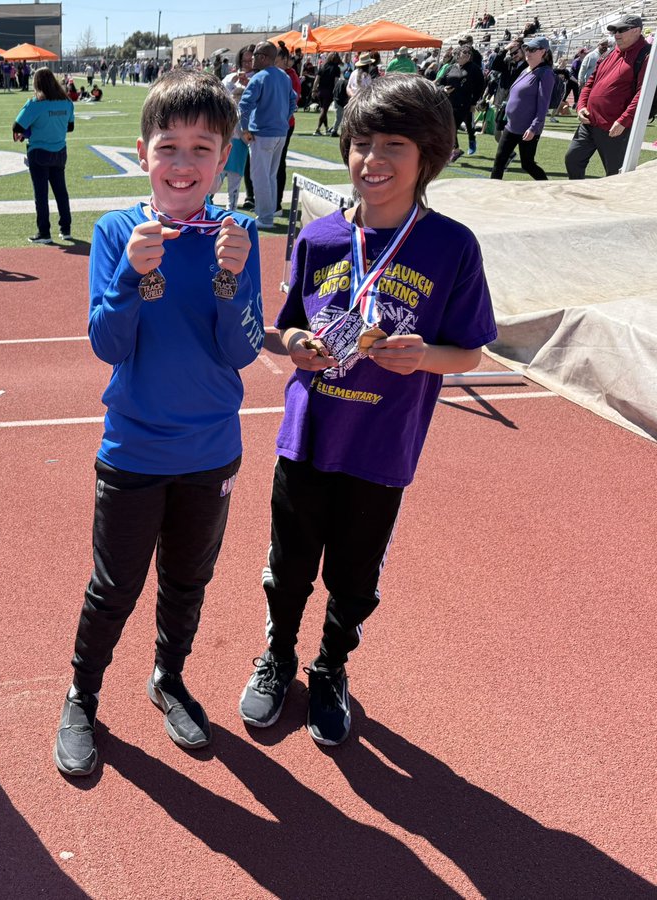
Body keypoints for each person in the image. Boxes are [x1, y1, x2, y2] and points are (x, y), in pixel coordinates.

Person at [237, 74, 496, 747]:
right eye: (361, 143)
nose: (371, 159)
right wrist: (297, 345)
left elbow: (470, 353)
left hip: (382, 447)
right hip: (308, 436)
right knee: (288, 565)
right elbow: (284, 328)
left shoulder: (452, 246)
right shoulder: (321, 237)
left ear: (429, 156)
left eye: (393, 145)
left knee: (354, 577)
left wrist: (425, 356)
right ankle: (278, 656)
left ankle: (330, 668)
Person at [52, 70, 265, 778]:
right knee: (114, 586)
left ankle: (168, 677)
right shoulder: (118, 230)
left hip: (211, 450)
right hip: (135, 448)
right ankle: (82, 695)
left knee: (187, 580)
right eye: (168, 146)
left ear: (225, 159)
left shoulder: (239, 233)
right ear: (143, 153)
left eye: (202, 148)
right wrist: (128, 275)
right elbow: (108, 344)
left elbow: (243, 350)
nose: (183, 163)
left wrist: (231, 281)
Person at [566, 14, 651, 179]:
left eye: (622, 30)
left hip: (615, 127)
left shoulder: (646, 55)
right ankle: (580, 194)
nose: (616, 34)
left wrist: (624, 120)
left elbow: (643, 93)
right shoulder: (608, 54)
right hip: (589, 122)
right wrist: (581, 106)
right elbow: (590, 83)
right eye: (614, 31)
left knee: (615, 175)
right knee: (572, 160)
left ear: (636, 31)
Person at [13, 67, 75, 244]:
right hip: (60, 151)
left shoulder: (35, 103)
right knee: (61, 192)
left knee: (41, 195)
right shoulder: (66, 102)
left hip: (39, 152)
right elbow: (70, 127)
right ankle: (66, 229)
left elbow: (17, 126)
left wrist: (31, 130)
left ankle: (44, 232)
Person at [239, 41, 297, 229]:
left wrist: (245, 129)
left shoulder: (259, 78)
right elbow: (293, 102)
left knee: (260, 177)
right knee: (270, 175)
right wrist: (282, 120)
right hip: (280, 132)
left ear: (263, 58)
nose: (252, 59)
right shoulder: (284, 77)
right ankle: (268, 213)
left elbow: (244, 105)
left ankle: (265, 218)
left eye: (255, 55)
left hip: (262, 133)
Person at [492, 36, 554, 179]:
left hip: (527, 128)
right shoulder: (526, 70)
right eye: (526, 48)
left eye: (532, 49)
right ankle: (492, 190)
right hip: (511, 125)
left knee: (527, 164)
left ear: (542, 52)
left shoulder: (545, 73)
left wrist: (534, 128)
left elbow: (543, 105)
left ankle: (548, 186)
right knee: (499, 161)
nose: (527, 52)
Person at [224, 45, 258, 207]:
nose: (247, 64)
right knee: (216, 174)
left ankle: (236, 204)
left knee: (237, 175)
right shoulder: (230, 77)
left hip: (245, 135)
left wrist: (248, 84)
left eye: (250, 60)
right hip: (226, 133)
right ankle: (207, 201)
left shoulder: (259, 78)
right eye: (244, 61)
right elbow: (220, 94)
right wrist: (232, 84)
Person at [438, 45, 481, 159]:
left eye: (468, 55)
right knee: (450, 127)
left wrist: (474, 103)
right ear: (457, 56)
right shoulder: (450, 67)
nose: (466, 57)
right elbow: (440, 83)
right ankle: (456, 149)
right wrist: (444, 89)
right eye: (463, 55)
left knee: (460, 126)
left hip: (465, 103)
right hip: (449, 102)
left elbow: (480, 86)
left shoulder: (474, 68)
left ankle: (468, 142)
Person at [274, 45, 302, 216]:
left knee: (278, 164)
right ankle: (266, 201)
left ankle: (276, 203)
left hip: (283, 126)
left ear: (284, 60)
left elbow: (293, 101)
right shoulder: (273, 74)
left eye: (275, 60)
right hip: (272, 127)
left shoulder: (290, 76)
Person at [314, 52, 342, 135]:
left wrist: (314, 90)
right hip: (329, 92)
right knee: (324, 110)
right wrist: (336, 92)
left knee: (324, 110)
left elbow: (317, 80)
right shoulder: (337, 68)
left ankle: (326, 128)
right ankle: (317, 129)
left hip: (320, 91)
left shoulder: (322, 66)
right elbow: (336, 82)